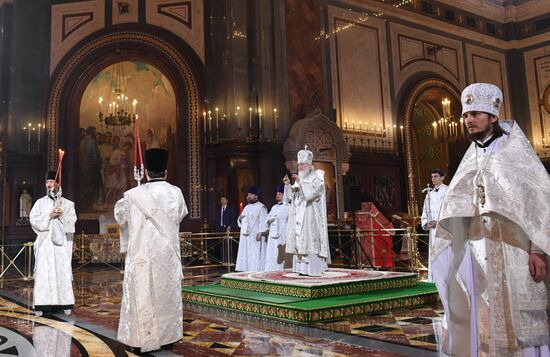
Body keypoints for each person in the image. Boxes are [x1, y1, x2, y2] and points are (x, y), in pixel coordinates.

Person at [432, 83, 550, 357]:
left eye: (475, 113)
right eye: (465, 115)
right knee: (485, 320)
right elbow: (459, 205)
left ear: (493, 116)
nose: (468, 120)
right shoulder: (471, 156)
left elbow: (540, 203)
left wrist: (537, 250)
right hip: (481, 251)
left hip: (516, 251)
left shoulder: (516, 152)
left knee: (523, 325)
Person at [114, 148, 187, 352]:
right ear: (166, 171)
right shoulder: (176, 192)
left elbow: (120, 216)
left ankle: (141, 339)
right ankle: (168, 336)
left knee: (144, 295)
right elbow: (181, 214)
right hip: (168, 256)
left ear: (146, 172)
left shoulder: (133, 195)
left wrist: (135, 198)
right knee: (166, 296)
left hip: (142, 255)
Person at [30, 171, 77, 316]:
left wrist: (61, 216)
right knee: (45, 273)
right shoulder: (40, 203)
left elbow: (72, 221)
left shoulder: (68, 204)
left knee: (61, 272)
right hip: (45, 244)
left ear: (58, 184)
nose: (49, 185)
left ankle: (64, 304)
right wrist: (49, 216)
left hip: (61, 245)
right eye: (47, 182)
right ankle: (42, 305)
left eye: (52, 182)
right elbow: (33, 219)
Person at [283, 146, 330, 276]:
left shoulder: (317, 176)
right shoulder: (300, 179)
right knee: (300, 241)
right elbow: (292, 197)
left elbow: (313, 194)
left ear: (309, 164)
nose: (299, 167)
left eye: (302, 164)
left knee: (310, 241)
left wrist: (301, 182)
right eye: (298, 165)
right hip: (299, 216)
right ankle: (301, 269)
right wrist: (288, 185)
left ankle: (314, 269)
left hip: (310, 215)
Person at [420, 168, 448, 282]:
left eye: (436, 176)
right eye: (432, 177)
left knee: (444, 252)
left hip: (444, 228)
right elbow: (425, 211)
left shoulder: (448, 191)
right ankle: (435, 279)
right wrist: (427, 222)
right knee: (434, 253)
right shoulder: (429, 195)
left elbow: (450, 210)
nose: (433, 179)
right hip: (433, 229)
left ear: (442, 177)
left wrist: (439, 221)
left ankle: (446, 279)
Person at [235, 186, 268, 272]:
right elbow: (241, 221)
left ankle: (255, 272)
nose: (248, 196)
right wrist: (240, 218)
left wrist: (261, 234)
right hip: (246, 237)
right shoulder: (246, 207)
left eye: (251, 195)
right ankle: (246, 271)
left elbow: (264, 222)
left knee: (254, 255)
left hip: (255, 236)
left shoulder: (261, 207)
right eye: (248, 194)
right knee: (246, 254)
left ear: (256, 196)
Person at [262, 184, 290, 271]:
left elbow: (286, 219)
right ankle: (271, 269)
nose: (277, 195)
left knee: (280, 252)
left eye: (280, 194)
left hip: (282, 234)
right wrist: (268, 221)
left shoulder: (288, 206)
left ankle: (280, 269)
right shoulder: (274, 207)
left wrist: (274, 219)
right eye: (277, 193)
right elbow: (267, 218)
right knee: (271, 252)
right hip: (272, 234)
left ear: (284, 195)